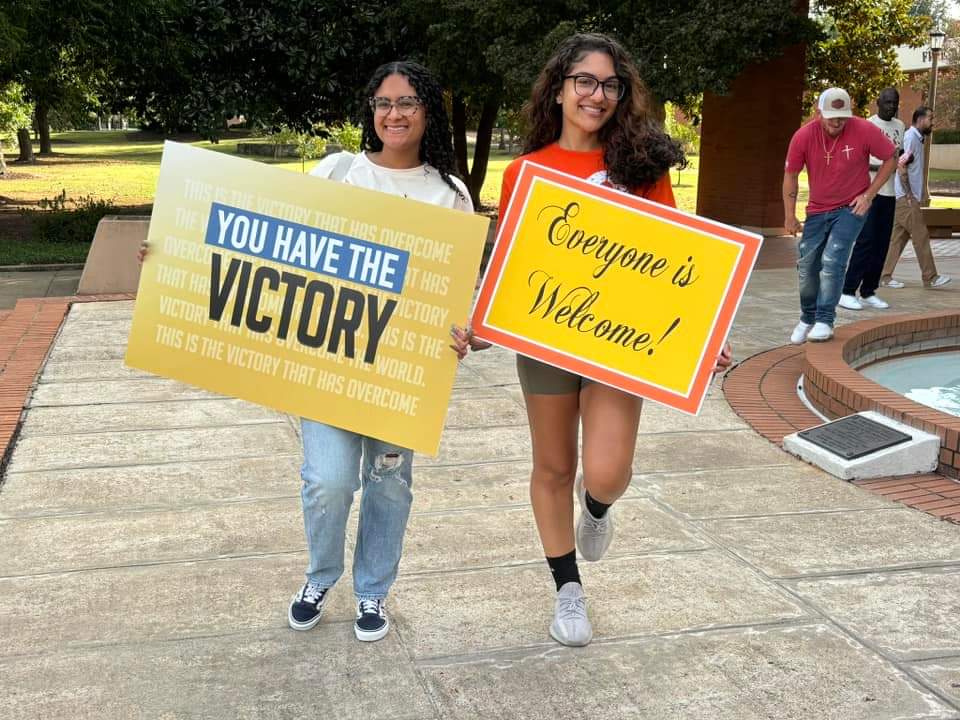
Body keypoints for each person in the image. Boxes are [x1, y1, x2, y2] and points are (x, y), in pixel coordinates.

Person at [141, 61, 479, 643]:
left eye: (406, 103)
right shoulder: (339, 172)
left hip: (400, 374)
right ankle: (320, 576)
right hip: (327, 362)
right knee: (328, 480)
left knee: (389, 484)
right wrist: (176, 252)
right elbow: (263, 235)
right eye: (382, 102)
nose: (392, 114)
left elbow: (458, 292)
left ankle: (373, 592)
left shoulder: (449, 195)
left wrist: (464, 333)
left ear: (428, 111)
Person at [498, 32, 732, 648]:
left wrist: (703, 334)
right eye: (584, 81)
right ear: (559, 89)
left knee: (607, 470)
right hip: (547, 339)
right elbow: (509, 267)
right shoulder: (526, 171)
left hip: (619, 343)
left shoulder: (641, 170)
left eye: (609, 84)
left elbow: (677, 260)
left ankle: (597, 508)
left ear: (621, 94)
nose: (596, 95)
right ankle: (567, 588)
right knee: (553, 465)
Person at [783, 87, 896, 344]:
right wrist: (789, 215)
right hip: (817, 209)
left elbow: (891, 157)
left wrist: (868, 195)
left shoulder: (863, 130)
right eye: (832, 116)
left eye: (842, 116)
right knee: (807, 265)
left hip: (851, 207)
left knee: (833, 259)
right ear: (818, 112)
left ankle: (825, 319)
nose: (837, 122)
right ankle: (807, 317)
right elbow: (790, 175)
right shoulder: (803, 136)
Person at [838, 87, 904, 311]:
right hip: (868, 193)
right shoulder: (867, 125)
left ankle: (868, 290)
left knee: (881, 244)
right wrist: (885, 166)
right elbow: (857, 160)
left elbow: (897, 155)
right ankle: (847, 291)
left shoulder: (900, 126)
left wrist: (898, 164)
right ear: (878, 102)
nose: (891, 106)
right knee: (865, 242)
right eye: (887, 102)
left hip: (890, 193)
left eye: (895, 102)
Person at [879, 106, 952, 290]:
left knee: (898, 239)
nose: (932, 122)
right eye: (930, 118)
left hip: (904, 197)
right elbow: (901, 166)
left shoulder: (916, 139)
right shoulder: (911, 137)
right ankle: (930, 277)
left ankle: (884, 276)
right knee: (921, 236)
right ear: (919, 119)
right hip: (906, 198)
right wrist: (909, 194)